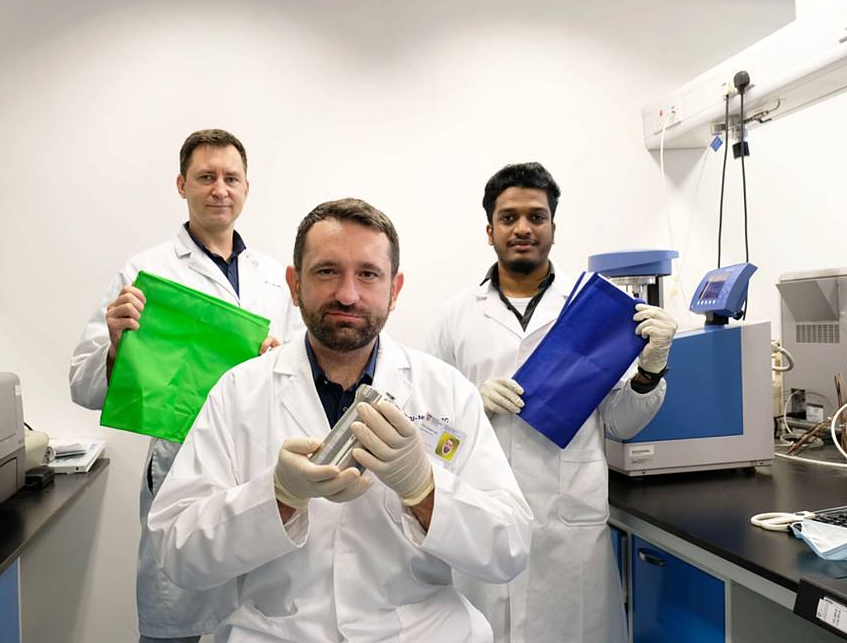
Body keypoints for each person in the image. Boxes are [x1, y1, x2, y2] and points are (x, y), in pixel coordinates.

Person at [147, 198, 533, 642]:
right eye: (327, 271)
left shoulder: (446, 391)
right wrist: (277, 496)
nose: (348, 294)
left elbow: (510, 549)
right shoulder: (239, 391)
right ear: (294, 285)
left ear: (395, 289)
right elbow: (178, 552)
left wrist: (425, 489)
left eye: (368, 274)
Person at [426, 162, 678, 643]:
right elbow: (426, 428)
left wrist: (652, 366)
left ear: (553, 228)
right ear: (489, 230)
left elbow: (621, 423)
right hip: (481, 516)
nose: (523, 228)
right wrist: (470, 404)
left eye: (536, 217)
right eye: (509, 217)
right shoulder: (455, 316)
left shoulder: (595, 310)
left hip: (569, 526)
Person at [69, 129, 303, 643]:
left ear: (246, 188)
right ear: (182, 185)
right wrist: (114, 346)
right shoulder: (145, 271)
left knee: (259, 619)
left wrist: (281, 357)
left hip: (261, 462)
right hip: (181, 464)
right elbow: (82, 387)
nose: (220, 189)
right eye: (206, 177)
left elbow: (304, 372)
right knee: (175, 614)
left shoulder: (275, 276)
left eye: (230, 178)